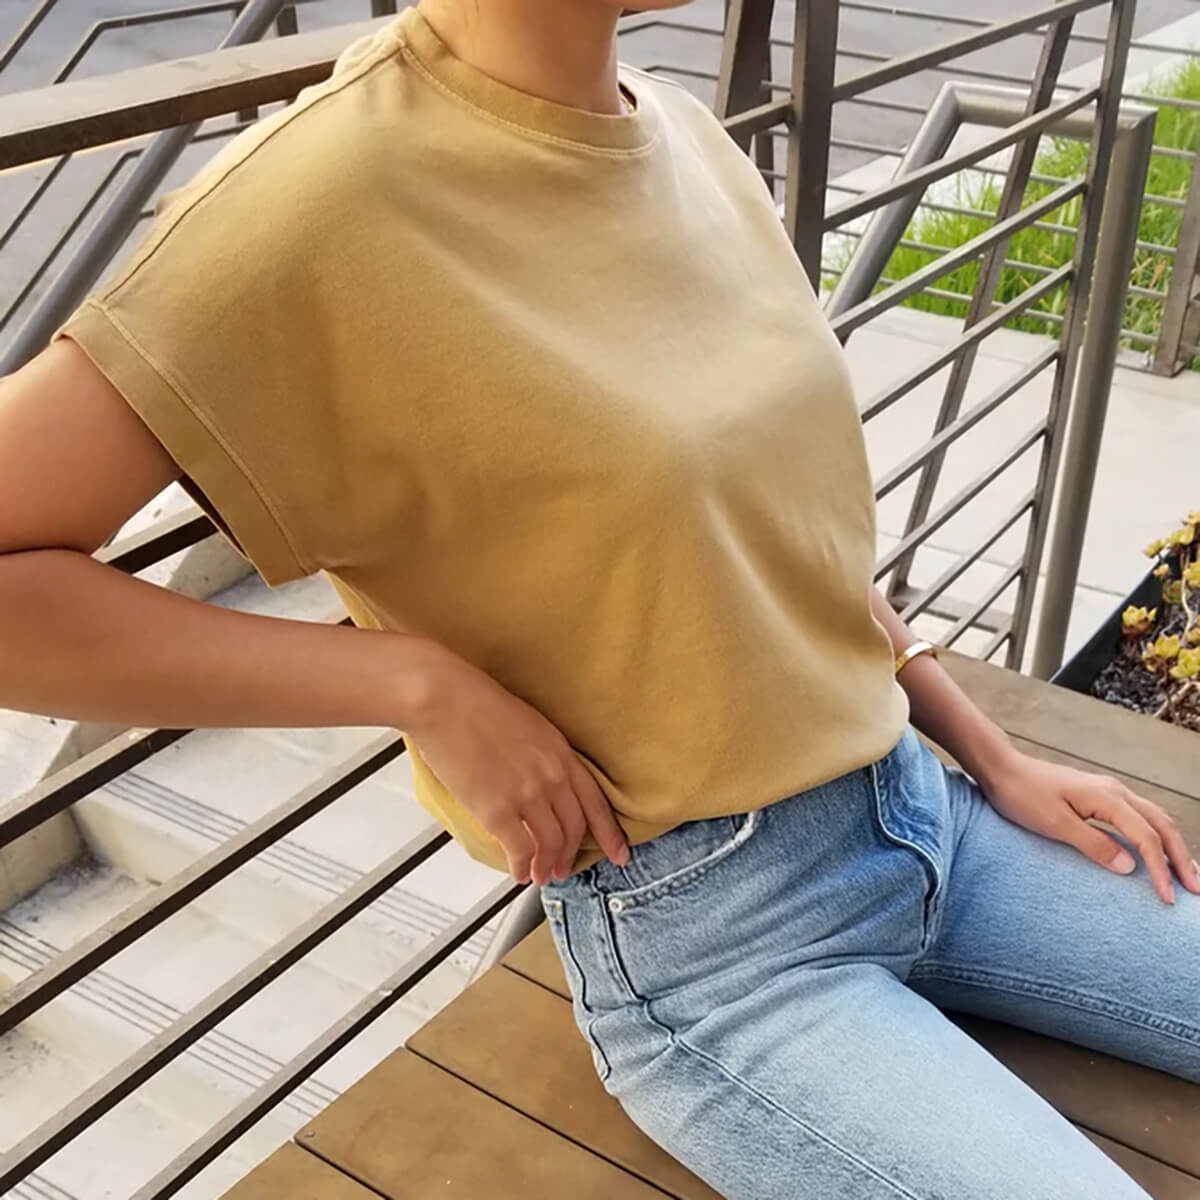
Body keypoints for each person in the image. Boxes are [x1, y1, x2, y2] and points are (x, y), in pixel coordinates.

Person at [0, 2, 1195, 1196]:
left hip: (925, 814)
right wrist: (414, 683)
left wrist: (994, 757)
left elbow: (781, 542)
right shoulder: (306, 204)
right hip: (722, 948)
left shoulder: (685, 134)